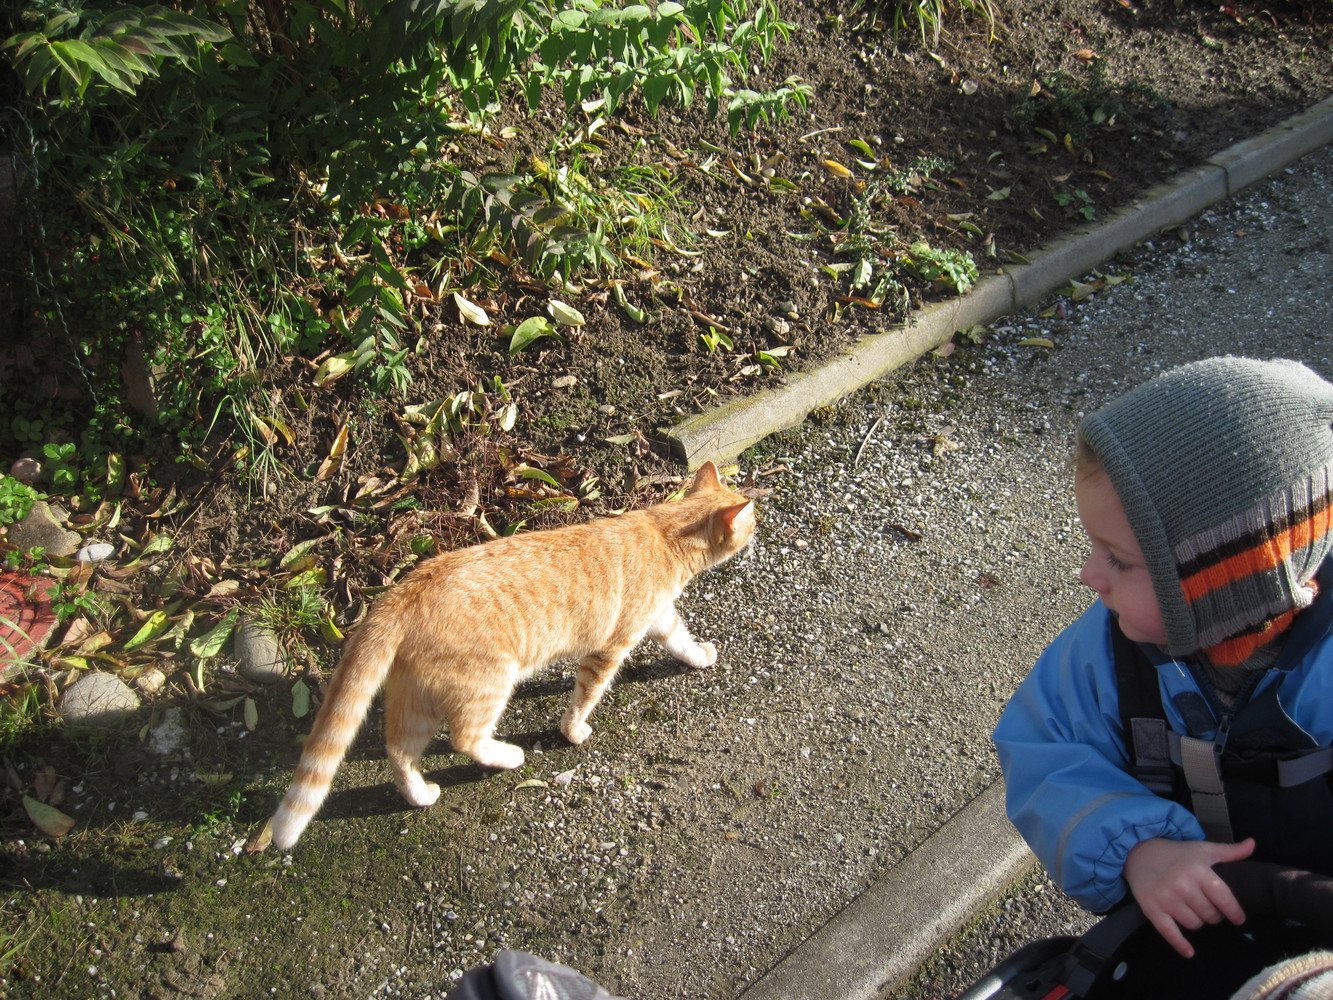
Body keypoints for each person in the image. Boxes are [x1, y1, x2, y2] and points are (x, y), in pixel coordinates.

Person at [993, 356, 1333, 960]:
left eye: (1117, 560)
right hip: (1194, 931)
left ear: (1224, 582)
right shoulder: (1105, 655)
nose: (1088, 575)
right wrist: (1138, 849)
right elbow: (1043, 750)